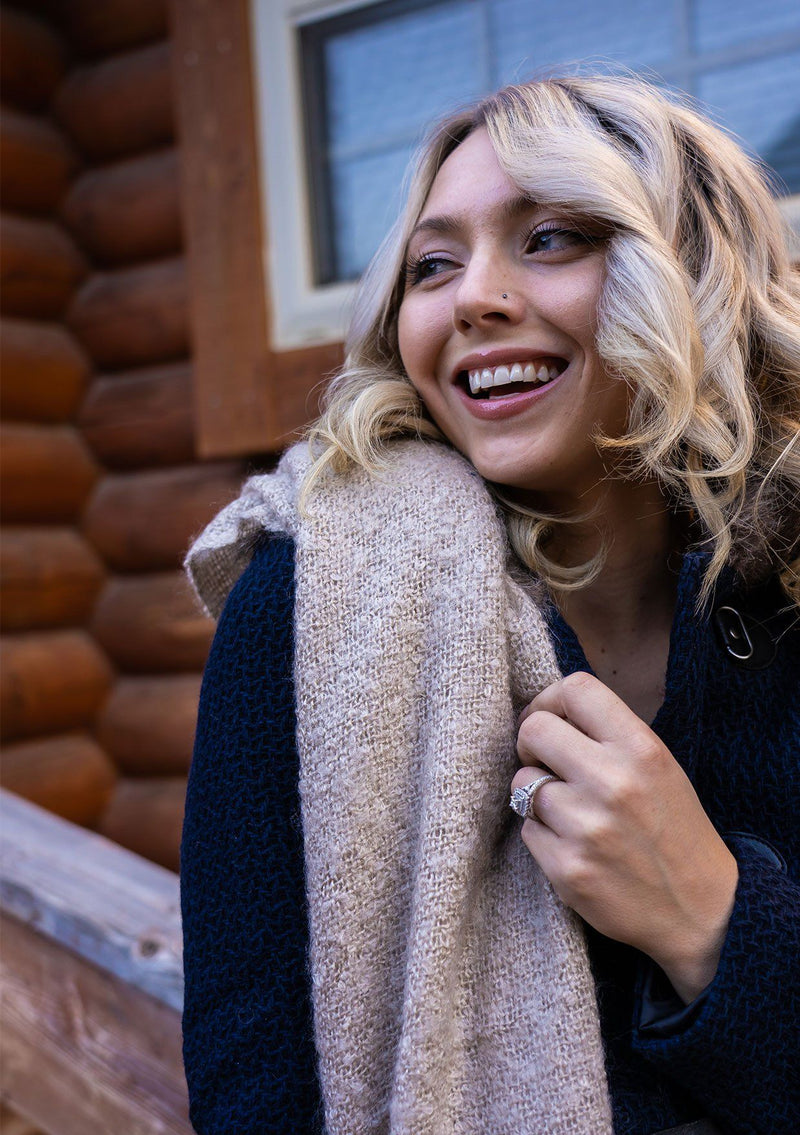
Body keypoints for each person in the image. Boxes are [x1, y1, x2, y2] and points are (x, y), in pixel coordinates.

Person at [180, 74, 800, 1135]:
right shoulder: (303, 610)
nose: (473, 296)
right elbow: (257, 1093)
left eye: (551, 237)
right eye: (432, 264)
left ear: (694, 274)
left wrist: (710, 915)